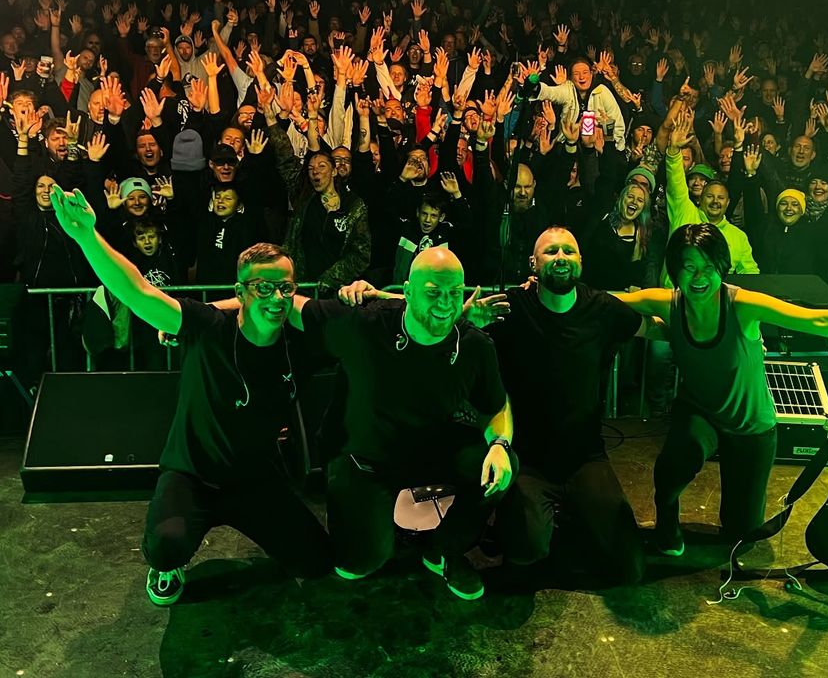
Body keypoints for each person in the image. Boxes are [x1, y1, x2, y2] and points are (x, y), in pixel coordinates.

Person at [47, 185, 337, 607]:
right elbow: (139, 292)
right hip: (192, 476)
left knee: (317, 561)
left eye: (285, 288)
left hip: (254, 480)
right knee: (166, 545)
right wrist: (87, 237)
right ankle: (167, 564)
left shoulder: (301, 344)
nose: (277, 298)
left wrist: (453, 308)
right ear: (241, 292)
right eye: (264, 288)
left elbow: (372, 319)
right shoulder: (207, 329)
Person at [615, 223, 828, 555]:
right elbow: (609, 301)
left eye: (708, 266)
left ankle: (739, 518)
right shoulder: (668, 304)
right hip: (700, 411)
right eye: (689, 266)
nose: (699, 277)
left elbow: (817, 320)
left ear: (722, 267)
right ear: (675, 269)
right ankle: (667, 526)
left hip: (751, 425)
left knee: (742, 532)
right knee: (670, 471)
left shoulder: (742, 305)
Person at [301, 247, 515, 600]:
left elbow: (495, 405)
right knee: (359, 563)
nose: (446, 303)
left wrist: (500, 445)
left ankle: (442, 552)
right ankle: (354, 518)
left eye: (454, 293)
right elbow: (294, 310)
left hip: (427, 446)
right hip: (363, 456)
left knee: (499, 466)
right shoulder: (365, 322)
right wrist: (227, 309)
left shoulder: (475, 345)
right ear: (408, 291)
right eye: (433, 292)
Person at [485, 227, 665, 586]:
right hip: (528, 459)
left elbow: (657, 329)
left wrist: (727, 333)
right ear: (533, 264)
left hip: (585, 457)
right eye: (551, 252)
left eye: (569, 251)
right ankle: (538, 519)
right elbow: (448, 323)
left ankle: (569, 513)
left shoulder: (600, 308)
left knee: (629, 568)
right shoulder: (512, 308)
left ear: (581, 261)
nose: (561, 257)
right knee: (524, 552)